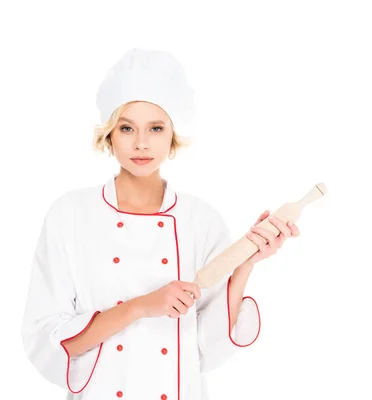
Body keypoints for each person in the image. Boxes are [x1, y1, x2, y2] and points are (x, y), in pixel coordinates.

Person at [20, 48, 300, 400]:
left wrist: (245, 264)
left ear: (172, 136)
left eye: (155, 128)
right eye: (126, 128)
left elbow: (206, 348)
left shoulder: (201, 220)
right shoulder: (70, 215)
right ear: (109, 135)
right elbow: (50, 338)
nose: (141, 143)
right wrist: (140, 306)